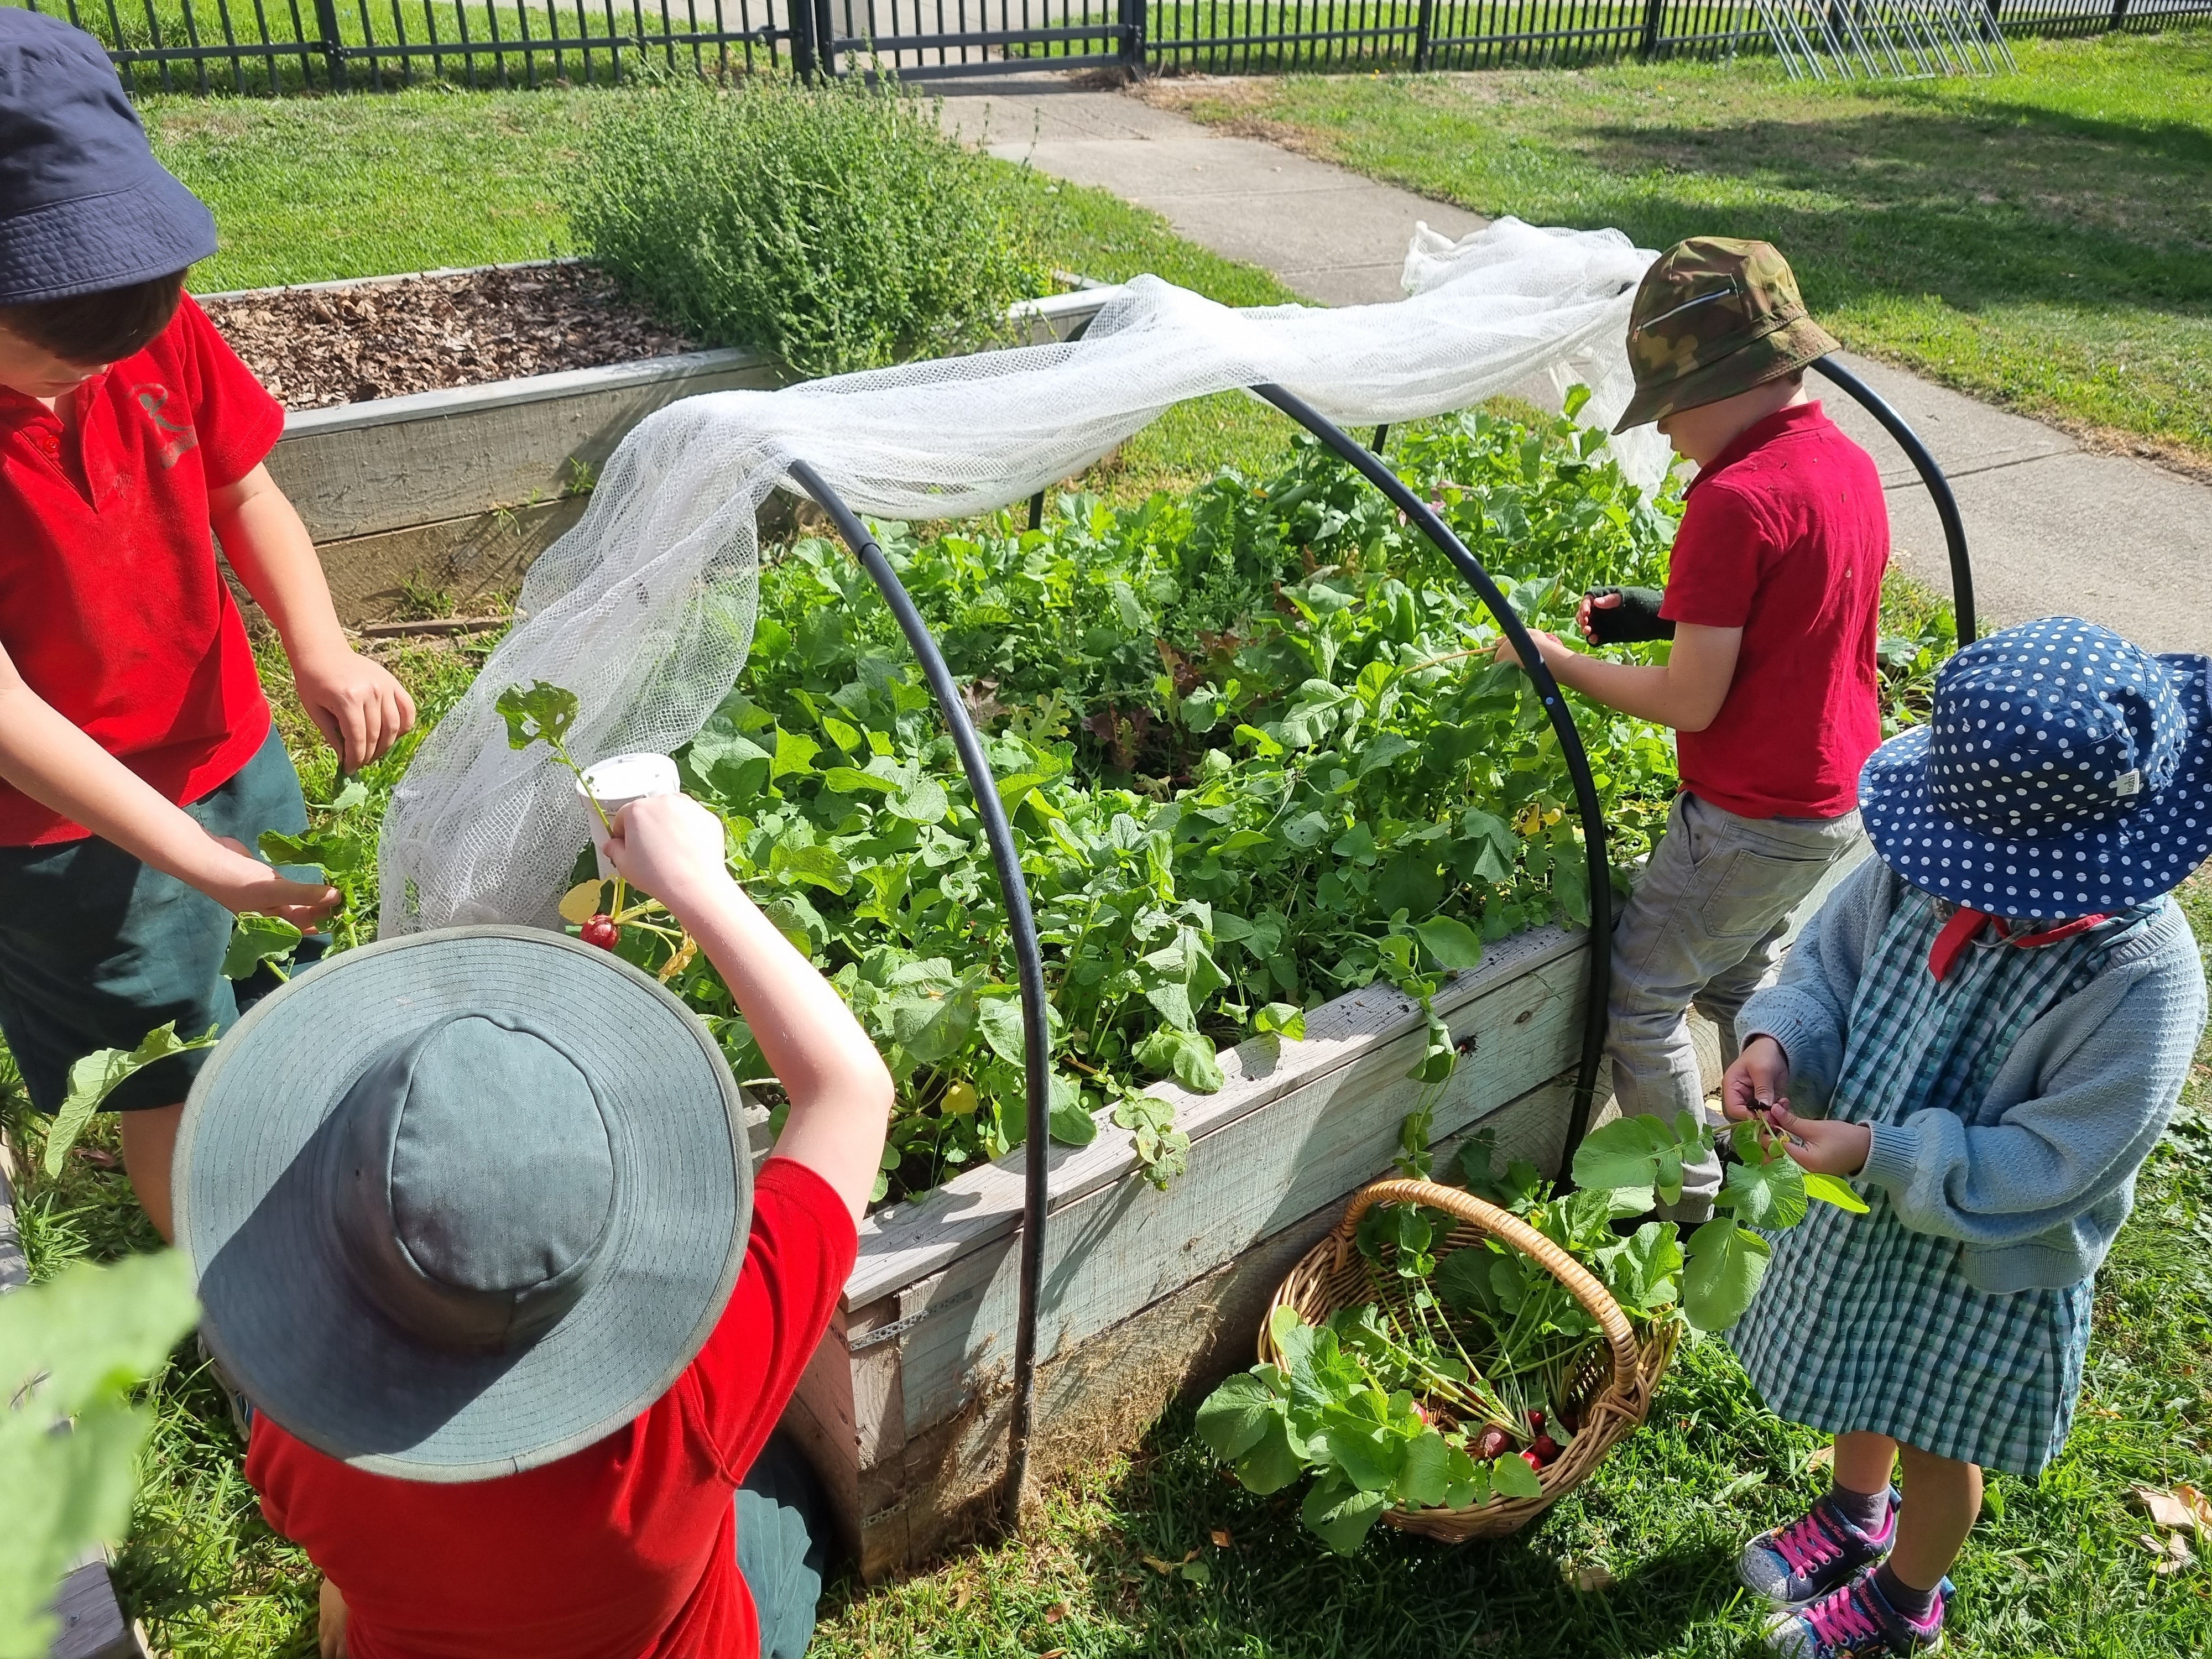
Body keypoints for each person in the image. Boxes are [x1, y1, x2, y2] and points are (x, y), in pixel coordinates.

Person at [174, 791, 895, 1659]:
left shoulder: (295, 1428)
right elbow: (850, 1093)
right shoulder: (701, 1395)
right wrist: (701, 885)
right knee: (779, 1495)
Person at [1718, 617, 2208, 1657]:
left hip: (1991, 1251)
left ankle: (1907, 1596)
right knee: (1866, 1364)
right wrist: (1777, 1040)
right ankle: (1856, 1510)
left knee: (1943, 1431)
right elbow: (1828, 966)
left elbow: (2063, 1159)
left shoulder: (2144, 979)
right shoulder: (1924, 861)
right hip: (1872, 1197)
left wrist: (1886, 1153)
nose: (1965, 886)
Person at [0, 10, 414, 1239]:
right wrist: (198, 865)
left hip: (224, 743)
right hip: (54, 828)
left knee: (276, 988)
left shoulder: (141, 324)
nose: (92, 378)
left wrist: (320, 646)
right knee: (159, 1063)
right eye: (47, 360)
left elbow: (244, 487)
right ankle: (232, 1290)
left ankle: (301, 1188)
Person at [1495, 236, 1887, 1221]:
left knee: (1643, 996)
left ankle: (1686, 1205)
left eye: (1669, 409)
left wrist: (1558, 660)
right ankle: (1774, 1150)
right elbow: (1791, 614)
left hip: (1748, 811)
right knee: (1742, 979)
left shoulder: (1733, 499)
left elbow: (1689, 702)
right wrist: (1656, 609)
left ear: (1722, 384)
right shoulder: (1843, 463)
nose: (1666, 436)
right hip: (1833, 797)